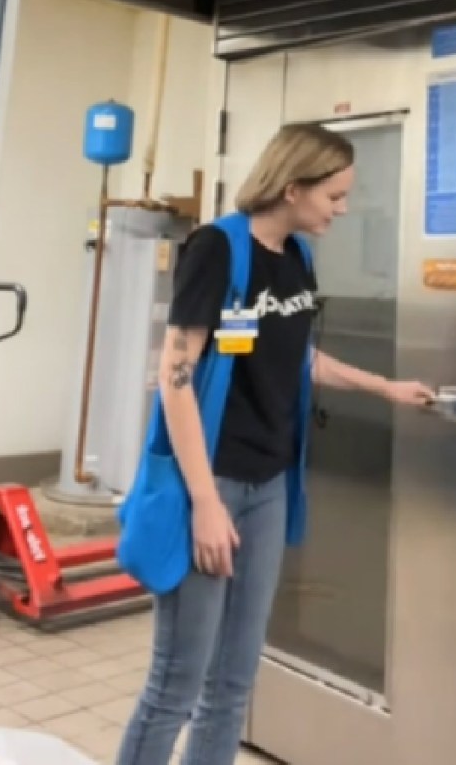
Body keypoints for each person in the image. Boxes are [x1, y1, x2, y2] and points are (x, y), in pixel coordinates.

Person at [115, 123, 434, 765]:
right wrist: (205, 502)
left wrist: (386, 387)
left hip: (269, 485)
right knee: (176, 684)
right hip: (210, 482)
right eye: (334, 197)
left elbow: (296, 356)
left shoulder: (298, 257)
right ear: (294, 187)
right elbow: (175, 379)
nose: (342, 210)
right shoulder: (217, 249)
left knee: (233, 681)